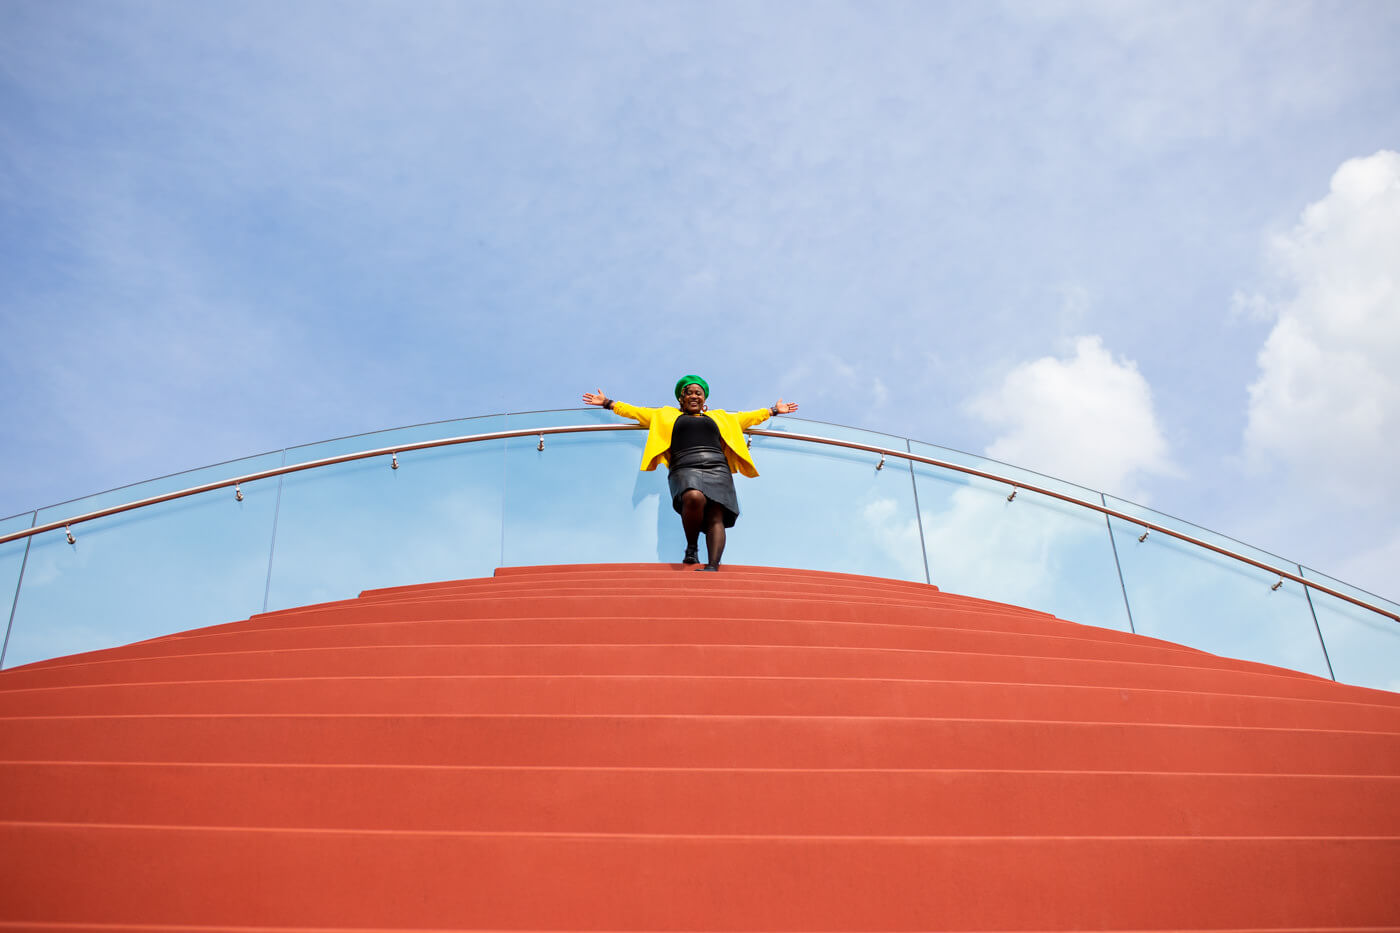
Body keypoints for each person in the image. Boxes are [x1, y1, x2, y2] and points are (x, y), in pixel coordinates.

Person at [583, 377, 798, 571]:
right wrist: (608, 403)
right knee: (692, 497)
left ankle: (713, 566)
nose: (694, 396)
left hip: (717, 467)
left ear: (704, 399)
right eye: (689, 392)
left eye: (698, 393)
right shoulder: (663, 414)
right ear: (681, 398)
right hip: (684, 464)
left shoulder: (722, 417)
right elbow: (634, 411)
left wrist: (774, 410)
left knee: (716, 515)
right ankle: (692, 546)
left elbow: (750, 417)